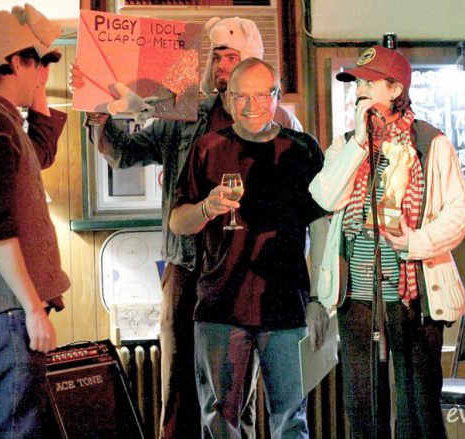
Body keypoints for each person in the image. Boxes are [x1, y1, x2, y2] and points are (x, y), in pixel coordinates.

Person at [71, 17, 301, 438]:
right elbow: (126, 153)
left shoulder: (284, 124)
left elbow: (302, 206)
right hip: (187, 263)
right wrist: (97, 111)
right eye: (217, 56)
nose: (222, 64)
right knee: (178, 379)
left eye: (232, 56)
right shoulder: (184, 110)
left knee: (235, 392)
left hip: (246, 273)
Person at [309, 46, 465, 439]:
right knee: (361, 401)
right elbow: (325, 197)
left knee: (418, 406)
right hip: (358, 294)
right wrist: (360, 145)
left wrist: (415, 242)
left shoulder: (430, 142)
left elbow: (459, 212)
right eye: (357, 82)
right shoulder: (347, 143)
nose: (359, 90)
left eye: (368, 82)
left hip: (414, 292)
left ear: (395, 88)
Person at [169, 57, 329, 439]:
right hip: (220, 303)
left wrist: (319, 297)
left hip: (286, 304)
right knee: (219, 418)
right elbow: (178, 221)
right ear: (227, 99)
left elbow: (320, 224)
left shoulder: (302, 149)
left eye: (262, 95)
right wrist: (207, 207)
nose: (251, 105)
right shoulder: (207, 148)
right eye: (241, 96)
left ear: (276, 97)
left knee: (291, 417)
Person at [0, 5, 69, 437]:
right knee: (19, 428)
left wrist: (36, 87)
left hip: (8, 309)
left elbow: (35, 157)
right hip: (10, 310)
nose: (43, 76)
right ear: (15, 62)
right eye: (38, 64)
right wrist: (34, 309)